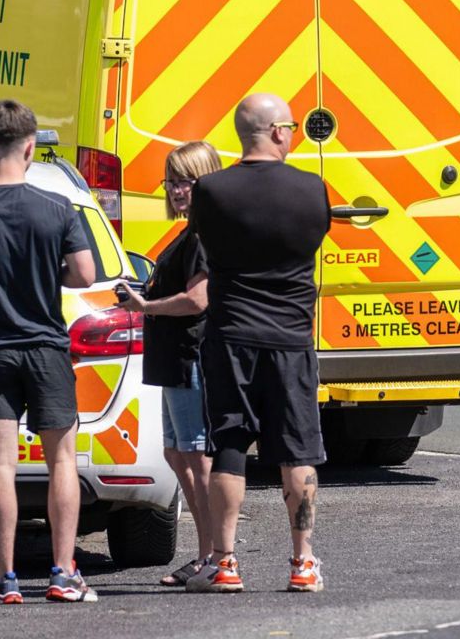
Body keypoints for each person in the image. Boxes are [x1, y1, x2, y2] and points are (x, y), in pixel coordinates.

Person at [0, 100, 101, 605]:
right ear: (31, 147)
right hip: (48, 348)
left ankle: (5, 578)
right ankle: (62, 572)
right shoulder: (58, 210)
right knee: (62, 461)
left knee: (1, 465)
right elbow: (86, 276)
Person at [185, 93, 333, 595]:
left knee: (228, 445)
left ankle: (224, 564)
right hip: (291, 339)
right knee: (298, 451)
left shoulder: (210, 191)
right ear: (275, 132)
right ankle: (303, 563)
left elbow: (204, 248)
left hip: (230, 338)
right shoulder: (312, 190)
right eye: (290, 126)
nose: (293, 134)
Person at [116, 140, 223, 588]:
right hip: (174, 361)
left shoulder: (202, 235)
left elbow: (199, 300)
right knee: (177, 454)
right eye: (171, 181)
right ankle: (208, 556)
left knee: (196, 459)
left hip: (191, 358)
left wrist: (146, 305)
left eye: (186, 181)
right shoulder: (189, 231)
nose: (177, 191)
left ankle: (215, 557)